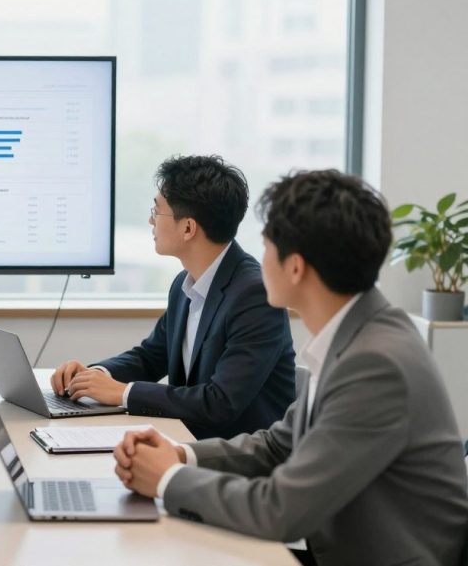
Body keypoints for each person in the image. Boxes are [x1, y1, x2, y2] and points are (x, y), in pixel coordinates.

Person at [114, 171, 468, 566]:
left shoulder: (375, 363)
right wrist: (179, 455)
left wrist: (167, 478)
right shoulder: (359, 333)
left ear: (295, 267)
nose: (256, 259)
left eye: (266, 247)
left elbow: (280, 510)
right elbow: (278, 444)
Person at [51, 155, 295, 439]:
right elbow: (152, 356)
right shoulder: (186, 282)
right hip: (188, 442)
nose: (150, 220)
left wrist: (122, 393)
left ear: (188, 228)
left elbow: (220, 403)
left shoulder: (255, 295)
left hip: (238, 460)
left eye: (157, 211)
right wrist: (96, 376)